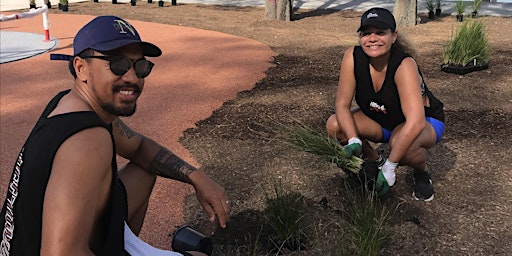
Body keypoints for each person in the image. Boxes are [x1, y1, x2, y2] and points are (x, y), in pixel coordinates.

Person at [0, 15, 228, 255]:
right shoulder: (87, 141)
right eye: (117, 64)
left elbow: (139, 148)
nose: (132, 77)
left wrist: (197, 177)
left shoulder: (70, 104)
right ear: (81, 68)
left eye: (140, 66)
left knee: (144, 170)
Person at [325, 7, 445, 201]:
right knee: (335, 125)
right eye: (366, 33)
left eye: (380, 32)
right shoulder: (352, 57)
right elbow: (341, 105)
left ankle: (422, 173)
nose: (372, 38)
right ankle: (373, 161)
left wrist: (391, 166)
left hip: (423, 121)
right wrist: (354, 139)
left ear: (394, 36)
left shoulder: (404, 64)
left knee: (402, 146)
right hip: (382, 118)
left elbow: (415, 122)